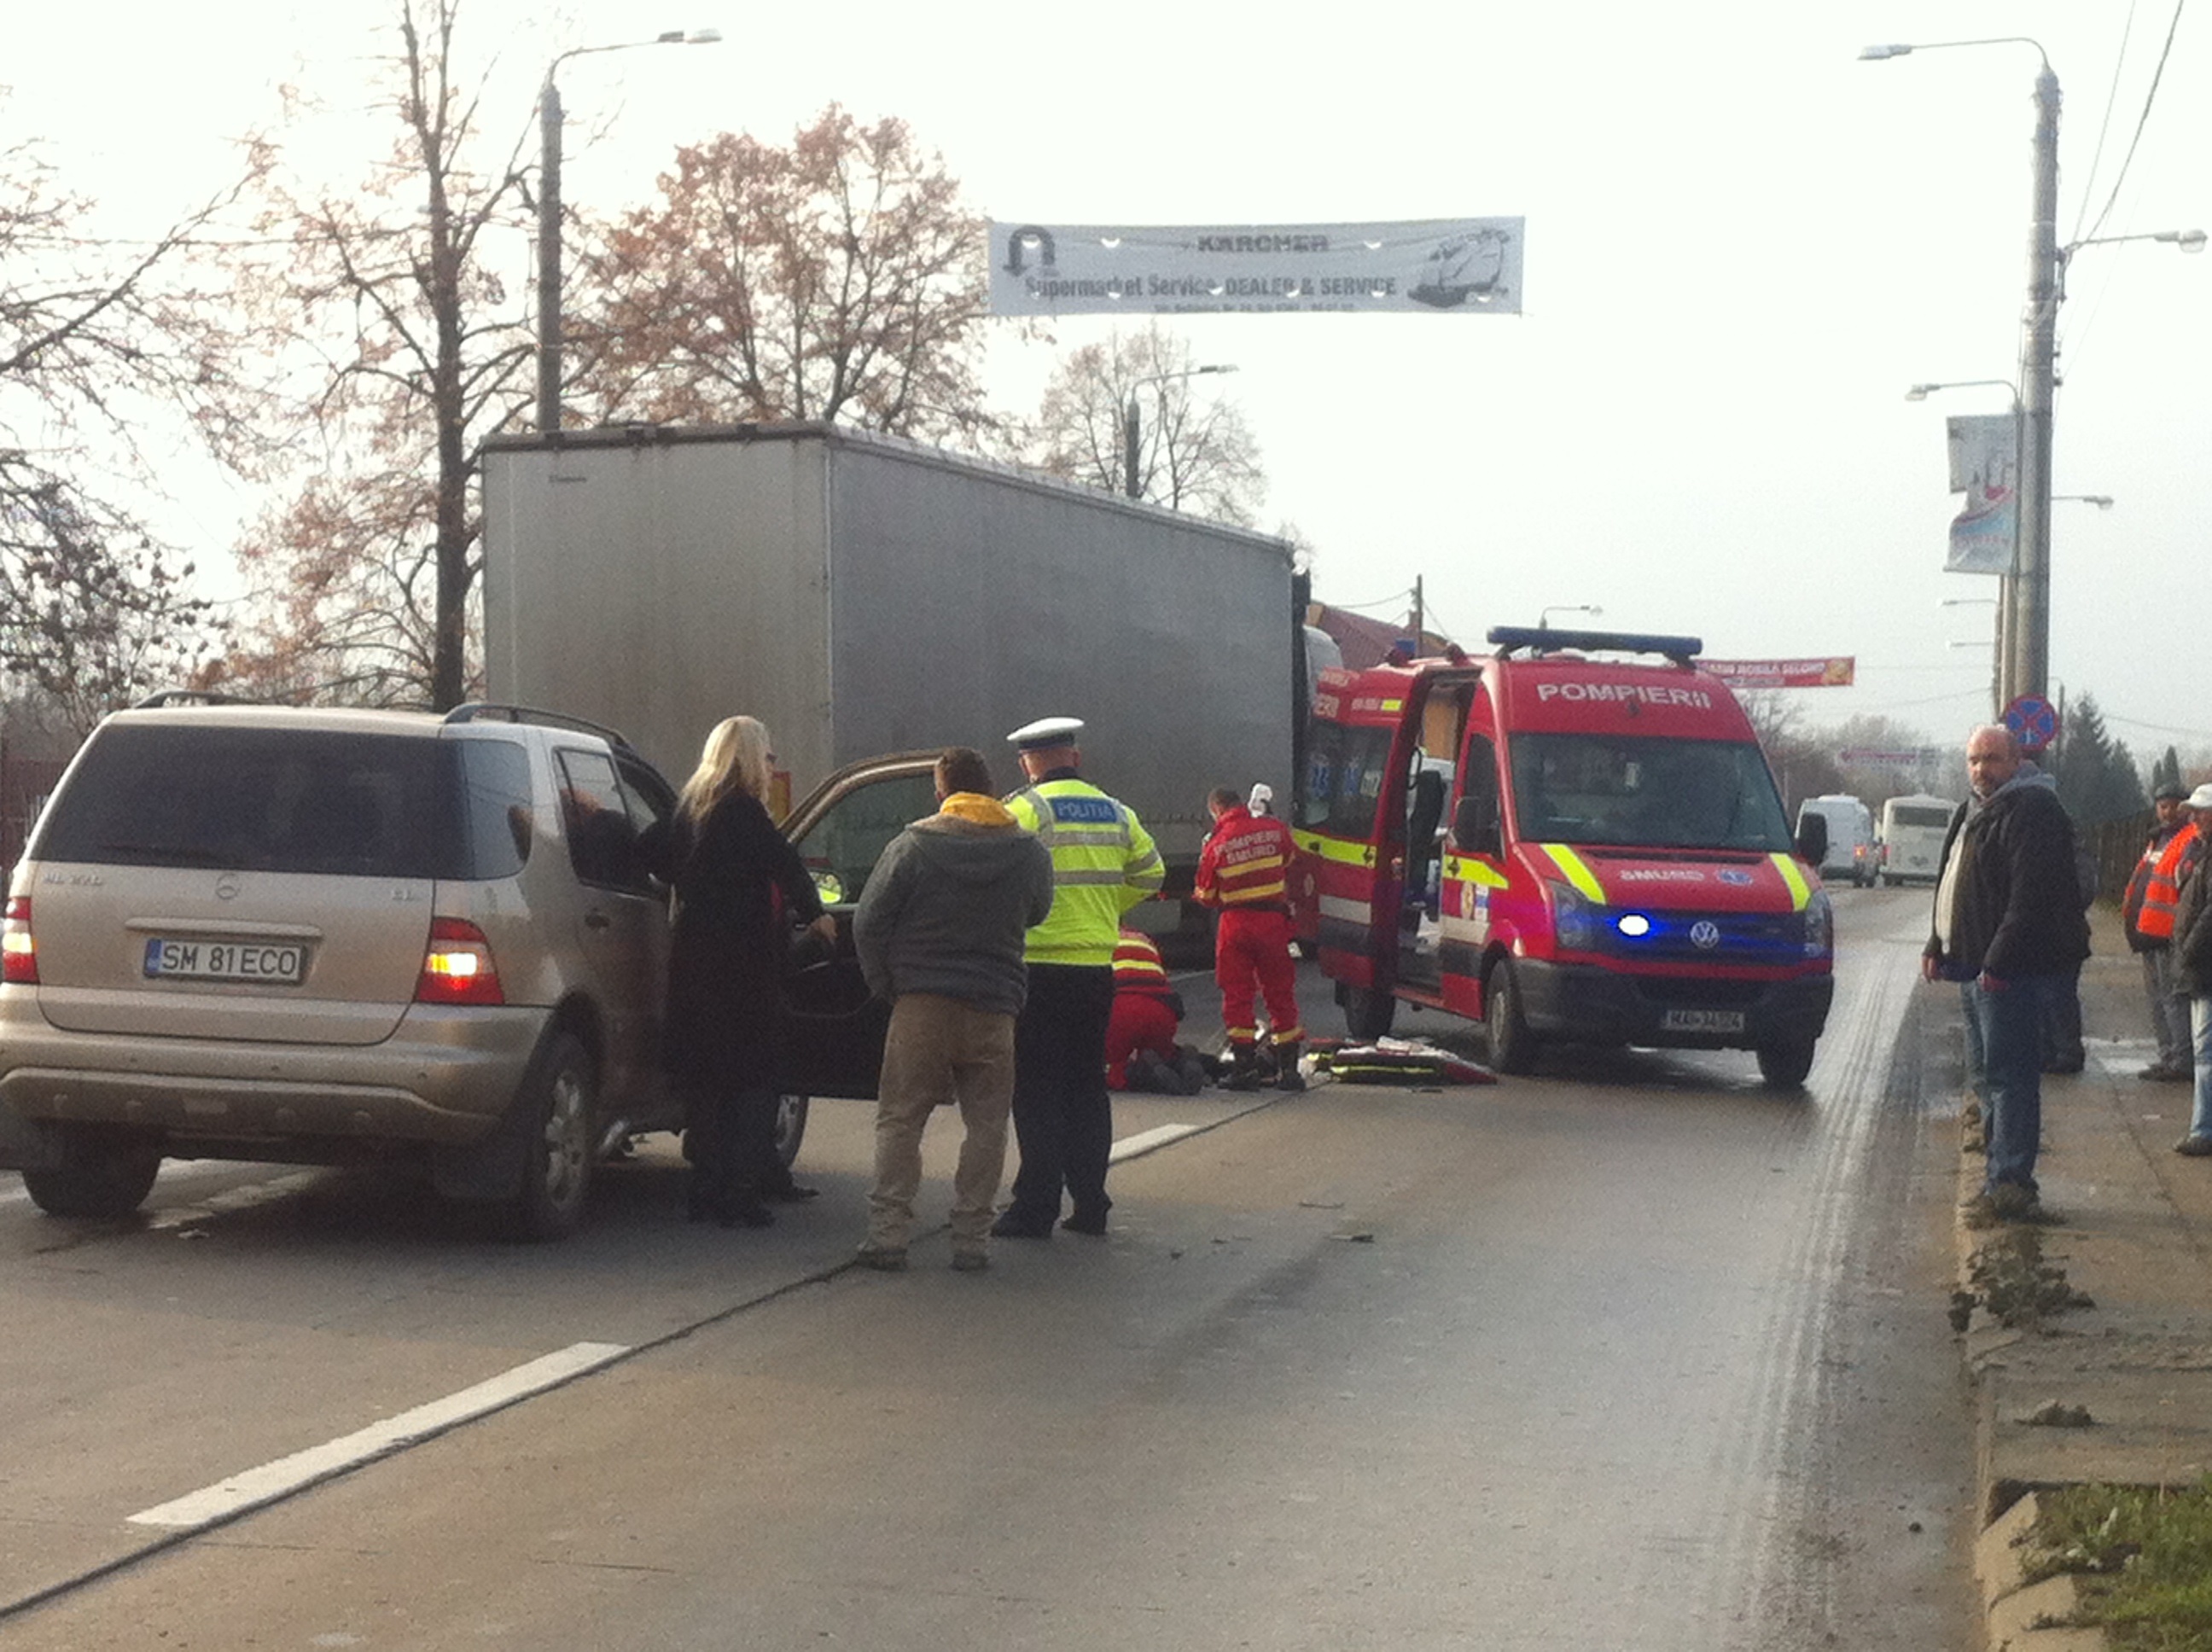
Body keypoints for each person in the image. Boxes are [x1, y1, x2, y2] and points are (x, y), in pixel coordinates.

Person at [848, 747, 1054, 1271]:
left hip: (922, 1002)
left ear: (941, 792)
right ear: (990, 790)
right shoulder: (1028, 851)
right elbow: (1038, 911)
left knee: (901, 1118)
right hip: (994, 1005)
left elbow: (868, 920)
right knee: (987, 1124)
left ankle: (889, 1235)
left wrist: (886, 984)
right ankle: (971, 1242)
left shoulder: (914, 845)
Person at [992, 716, 1165, 1239]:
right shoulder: (1117, 812)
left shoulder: (1023, 809)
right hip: (1095, 970)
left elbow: (996, 876)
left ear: (1027, 762)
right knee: (1087, 1089)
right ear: (1076, 757)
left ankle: (1036, 1207)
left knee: (1037, 1090)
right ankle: (1091, 1203)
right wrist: (1106, 909)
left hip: (1038, 967)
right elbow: (1152, 873)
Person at [662, 716, 836, 1229]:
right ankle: (739, 1194)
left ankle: (705, 1190)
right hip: (741, 972)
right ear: (747, 758)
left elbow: (650, 852)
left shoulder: (690, 811)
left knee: (707, 1086)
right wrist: (818, 915)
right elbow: (785, 865)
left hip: (693, 967)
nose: (771, 764)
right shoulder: (743, 811)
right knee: (751, 1083)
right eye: (767, 755)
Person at [1922, 724, 2092, 1225]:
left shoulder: (2031, 810)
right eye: (1974, 759)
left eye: (1992, 759)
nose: (1981, 769)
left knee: (2010, 1077)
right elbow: (1950, 881)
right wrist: (1937, 942)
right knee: (1985, 1076)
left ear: (2016, 761)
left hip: (2009, 971)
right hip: (1971, 963)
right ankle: (1997, 1176)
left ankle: (2012, 1184)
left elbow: (2029, 896)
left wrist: (1999, 960)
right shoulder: (1972, 809)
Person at [1196, 783, 1307, 1091]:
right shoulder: (1274, 829)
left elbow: (1206, 895)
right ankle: (1290, 1071)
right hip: (1272, 922)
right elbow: (1290, 861)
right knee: (1280, 993)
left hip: (1235, 924)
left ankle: (1244, 1070)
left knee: (1237, 995)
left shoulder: (1216, 843)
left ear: (1217, 810)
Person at [2124, 782, 2195, 1081]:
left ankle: (2181, 1060)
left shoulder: (2188, 839)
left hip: (2169, 934)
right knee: (2157, 999)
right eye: (2163, 806)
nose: (2167, 812)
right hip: (2148, 933)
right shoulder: (2158, 840)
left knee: (2172, 998)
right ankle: (2167, 1056)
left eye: (2174, 806)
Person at [1106, 926, 1204, 1094]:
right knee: (1161, 1055)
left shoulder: (1092, 940)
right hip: (1162, 1012)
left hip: (1120, 1011)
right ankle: (1178, 1061)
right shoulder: (1141, 938)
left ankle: (1143, 1073)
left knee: (1108, 1070)